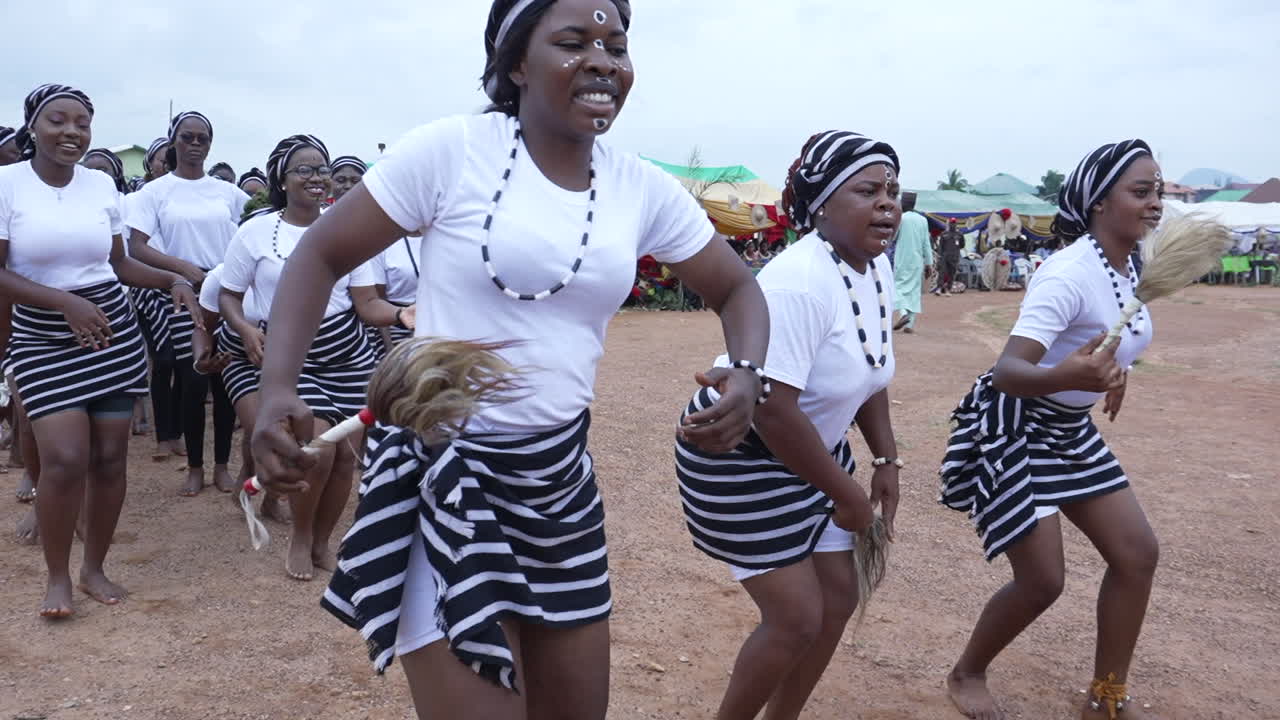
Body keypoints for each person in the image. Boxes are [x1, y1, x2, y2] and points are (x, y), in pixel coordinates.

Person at [250, 1, 768, 717]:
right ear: (516, 63)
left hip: (559, 489)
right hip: (445, 480)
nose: (602, 60)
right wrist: (278, 388)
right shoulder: (453, 152)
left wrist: (746, 372)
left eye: (616, 45)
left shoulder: (638, 186)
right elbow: (320, 254)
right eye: (573, 41)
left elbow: (738, 287)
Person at [674, 131, 903, 720]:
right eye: (867, 191)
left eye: (892, 191)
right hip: (740, 454)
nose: (887, 203)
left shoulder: (873, 269)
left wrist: (885, 458)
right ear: (822, 203)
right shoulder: (800, 281)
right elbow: (774, 408)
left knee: (838, 598)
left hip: (810, 452)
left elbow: (869, 370)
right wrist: (847, 494)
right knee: (796, 616)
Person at [939, 140, 1163, 720]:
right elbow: (1010, 371)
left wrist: (1115, 374)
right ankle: (966, 672)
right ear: (1098, 203)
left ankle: (1106, 696)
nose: (1155, 203)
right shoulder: (1067, 273)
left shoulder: (1131, 264)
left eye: (1157, 190)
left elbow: (1111, 336)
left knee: (1137, 554)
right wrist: (1073, 373)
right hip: (1016, 425)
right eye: (1141, 192)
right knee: (1042, 581)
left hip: (1068, 427)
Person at [0, 84, 200, 617]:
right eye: (58, 121)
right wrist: (63, 303)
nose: (71, 132)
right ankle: (58, 577)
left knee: (110, 460)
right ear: (33, 126)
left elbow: (118, 265)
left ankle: (94, 568)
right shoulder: (7, 185)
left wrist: (169, 281)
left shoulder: (101, 185)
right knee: (64, 460)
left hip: (111, 334)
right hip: (43, 337)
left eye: (82, 123)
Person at [221, 134, 404, 579]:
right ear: (281, 180)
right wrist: (245, 328)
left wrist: (403, 313)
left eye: (321, 169)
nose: (317, 177)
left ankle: (323, 541)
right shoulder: (255, 231)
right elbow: (228, 295)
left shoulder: (345, 227)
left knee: (346, 458)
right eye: (304, 169)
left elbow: (367, 304)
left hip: (347, 355)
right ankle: (301, 538)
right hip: (291, 353)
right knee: (316, 451)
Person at [126, 111, 248, 495]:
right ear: (173, 140)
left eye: (202, 138)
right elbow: (136, 246)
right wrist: (182, 268)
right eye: (187, 137)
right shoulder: (154, 193)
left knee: (226, 380)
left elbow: (255, 230)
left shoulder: (228, 193)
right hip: (183, 294)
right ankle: (195, 467)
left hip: (227, 292)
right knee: (194, 379)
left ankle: (222, 466)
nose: (195, 144)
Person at [891, 191, 933, 333]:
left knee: (897, 287)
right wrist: (929, 263)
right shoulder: (923, 220)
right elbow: (927, 244)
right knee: (914, 291)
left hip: (903, 258)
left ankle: (903, 314)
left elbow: (894, 237)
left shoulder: (901, 219)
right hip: (917, 261)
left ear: (903, 203)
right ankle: (910, 324)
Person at [935, 217, 964, 296]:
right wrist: (940, 256)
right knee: (942, 272)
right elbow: (940, 246)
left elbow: (962, 245)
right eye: (951, 223)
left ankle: (948, 289)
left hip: (954, 257)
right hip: (945, 256)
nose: (952, 225)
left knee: (952, 273)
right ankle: (939, 288)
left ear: (956, 224)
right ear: (949, 224)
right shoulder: (944, 234)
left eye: (954, 223)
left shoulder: (960, 235)